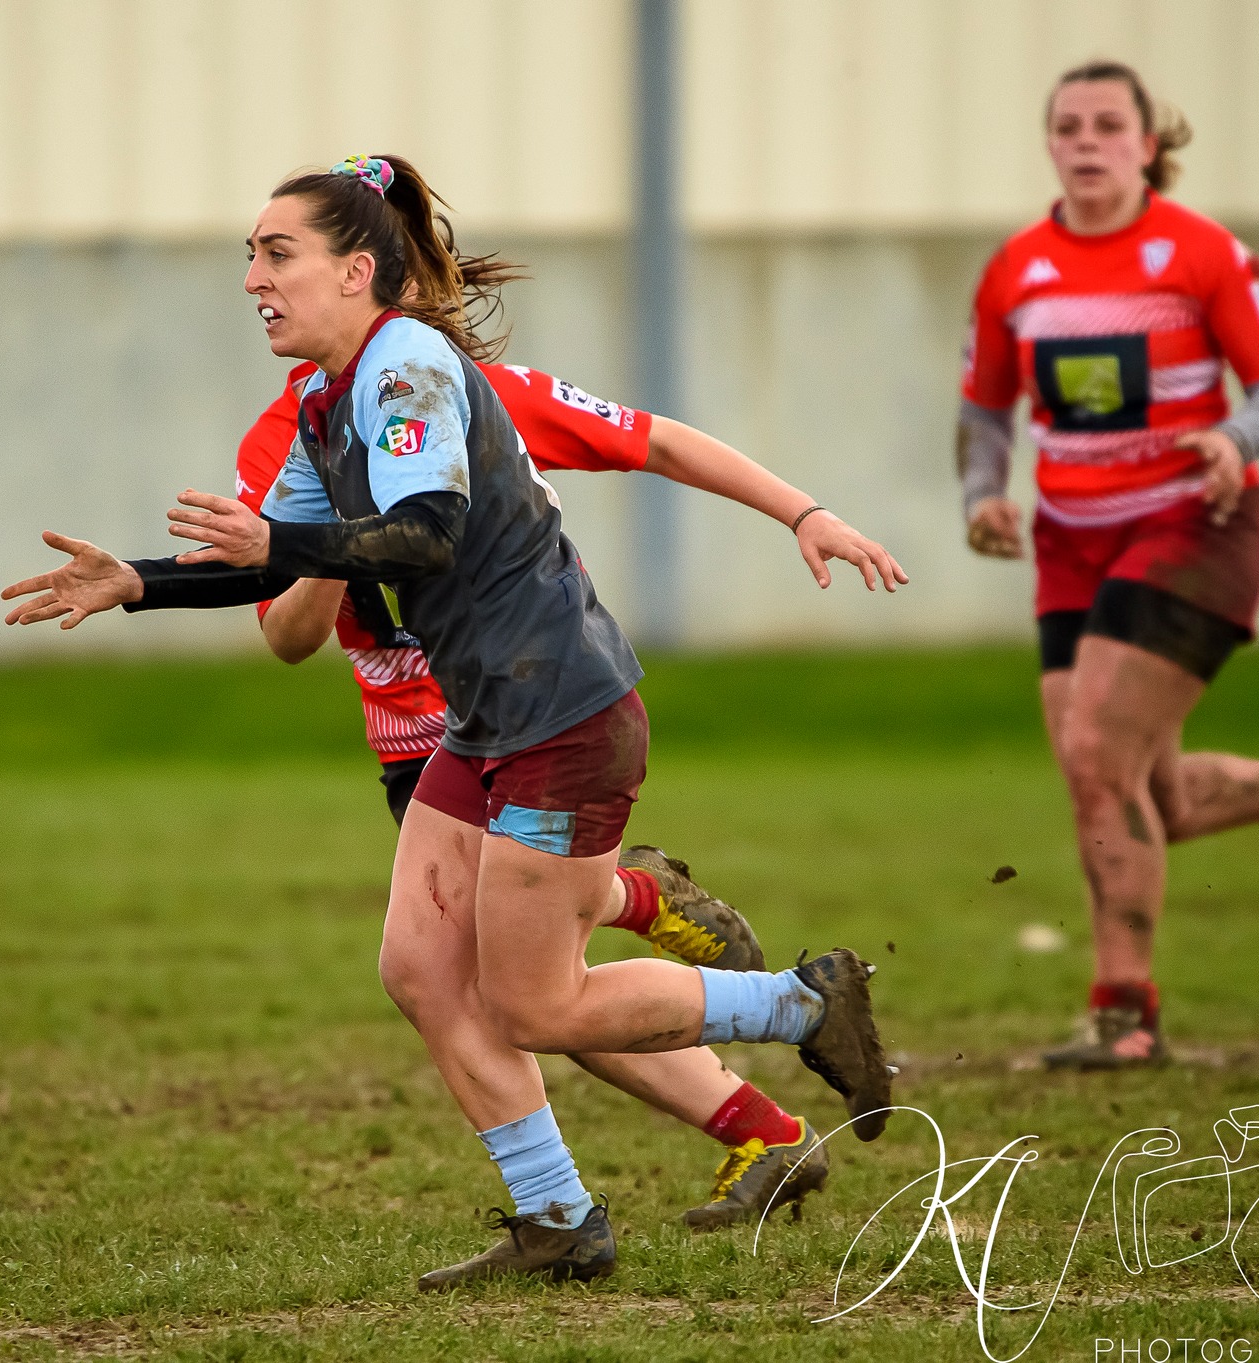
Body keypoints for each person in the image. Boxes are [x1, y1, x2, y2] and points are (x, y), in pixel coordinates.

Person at [3, 154, 907, 1288]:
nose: (252, 279)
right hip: (487, 721)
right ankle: (559, 1217)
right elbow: (270, 575)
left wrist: (278, 545)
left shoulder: (409, 366)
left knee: (533, 1002)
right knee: (423, 969)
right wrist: (136, 581)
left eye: (276, 253)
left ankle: (801, 1001)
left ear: (356, 270)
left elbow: (423, 534)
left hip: (558, 713)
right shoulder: (327, 400)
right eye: (250, 256)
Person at [238, 358, 879, 1228]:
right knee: (499, 989)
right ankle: (722, 1068)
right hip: (425, 757)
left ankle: (599, 1181)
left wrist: (804, 512)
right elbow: (287, 636)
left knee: (520, 994)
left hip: (529, 716)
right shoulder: (290, 438)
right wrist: (326, 539)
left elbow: (655, 440)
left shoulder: (467, 387)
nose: (264, 293)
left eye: (283, 271)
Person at [956, 62, 1259, 1071]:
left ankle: (1125, 1014)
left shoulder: (1203, 254)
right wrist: (982, 492)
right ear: (1049, 143)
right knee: (1144, 792)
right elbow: (984, 407)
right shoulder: (1016, 269)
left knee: (1094, 761)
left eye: (1108, 125)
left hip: (1194, 528)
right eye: (1068, 125)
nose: (1086, 141)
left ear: (1147, 146)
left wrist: (1236, 438)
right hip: (1070, 547)